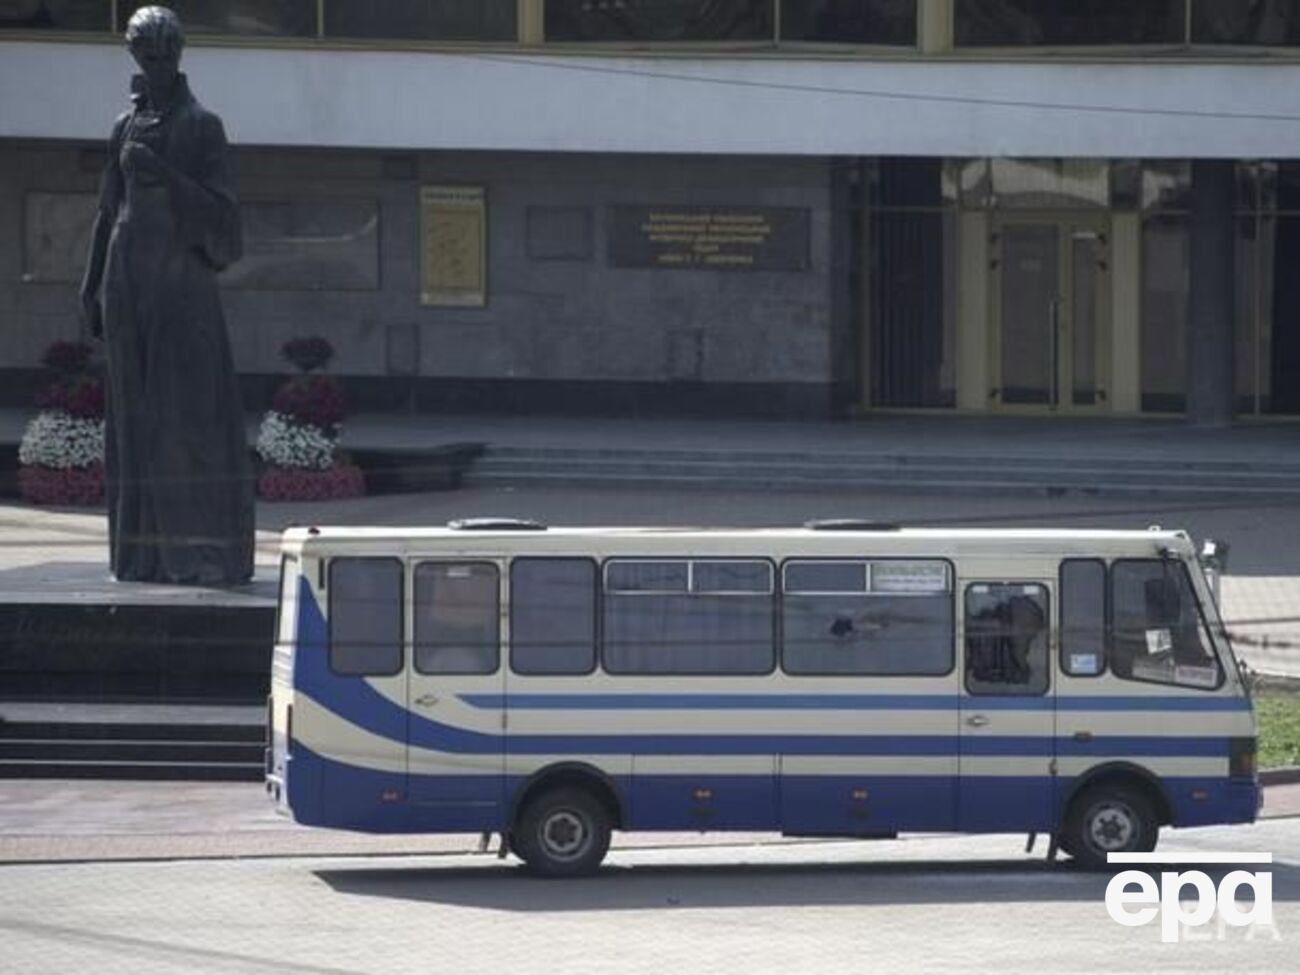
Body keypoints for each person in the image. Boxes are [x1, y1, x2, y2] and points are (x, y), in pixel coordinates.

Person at [79, 6, 253, 585]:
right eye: (145, 54)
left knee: (184, 416)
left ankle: (197, 553)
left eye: (163, 54)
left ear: (178, 54)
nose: (155, 64)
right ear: (133, 55)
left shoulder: (203, 126)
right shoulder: (123, 125)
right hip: (126, 282)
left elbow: (225, 218)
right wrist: (89, 287)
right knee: (133, 419)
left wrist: (163, 172)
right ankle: (141, 554)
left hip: (181, 286)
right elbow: (107, 213)